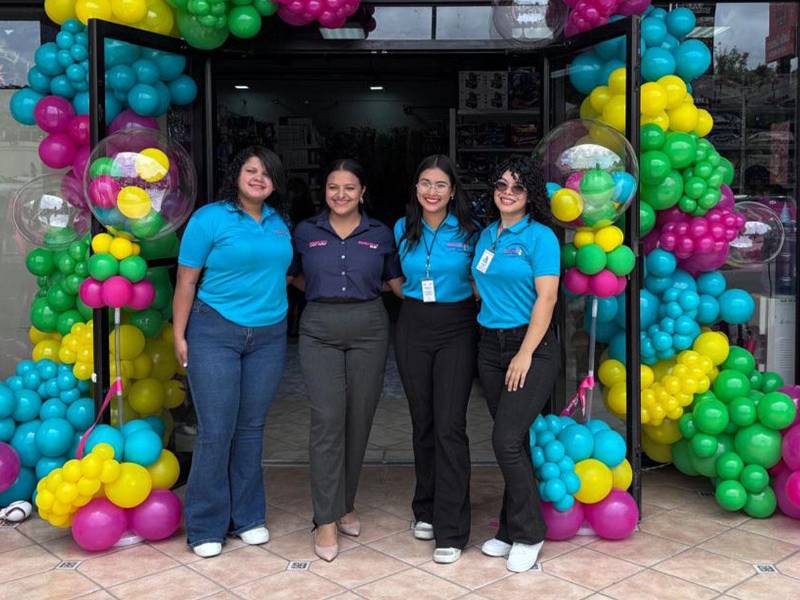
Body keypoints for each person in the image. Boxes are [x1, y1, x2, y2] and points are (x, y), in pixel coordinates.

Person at [173, 146, 293, 559]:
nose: (259, 178)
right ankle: (206, 525)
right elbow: (186, 282)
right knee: (216, 429)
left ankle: (247, 517)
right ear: (237, 174)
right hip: (214, 331)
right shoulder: (209, 218)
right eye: (251, 170)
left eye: (267, 173)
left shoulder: (280, 222)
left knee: (251, 428)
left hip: (269, 335)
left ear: (275, 182)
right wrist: (179, 333)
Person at [291, 159, 403, 561]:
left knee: (359, 419)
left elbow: (395, 283)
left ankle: (345, 503)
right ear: (324, 191)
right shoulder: (306, 231)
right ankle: (324, 519)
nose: (341, 195)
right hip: (319, 324)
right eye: (333, 188)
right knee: (327, 420)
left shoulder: (381, 233)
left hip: (370, 325)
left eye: (349, 188)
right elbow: (295, 277)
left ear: (363, 192)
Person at [471, 155, 561, 572]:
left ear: (530, 196)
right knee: (516, 442)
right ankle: (509, 529)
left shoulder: (541, 237)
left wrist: (524, 352)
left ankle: (529, 533)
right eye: (501, 185)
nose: (508, 192)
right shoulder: (487, 234)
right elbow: (481, 282)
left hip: (531, 348)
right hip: (490, 346)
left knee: (505, 441)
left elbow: (547, 298)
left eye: (518, 187)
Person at [393, 155, 479, 564]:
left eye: (440, 184)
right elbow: (394, 277)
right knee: (423, 423)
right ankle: (424, 508)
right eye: (425, 183)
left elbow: (482, 283)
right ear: (416, 188)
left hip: (456, 327)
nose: (432, 191)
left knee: (450, 426)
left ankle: (452, 528)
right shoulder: (401, 229)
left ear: (453, 191)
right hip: (412, 324)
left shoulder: (470, 232)